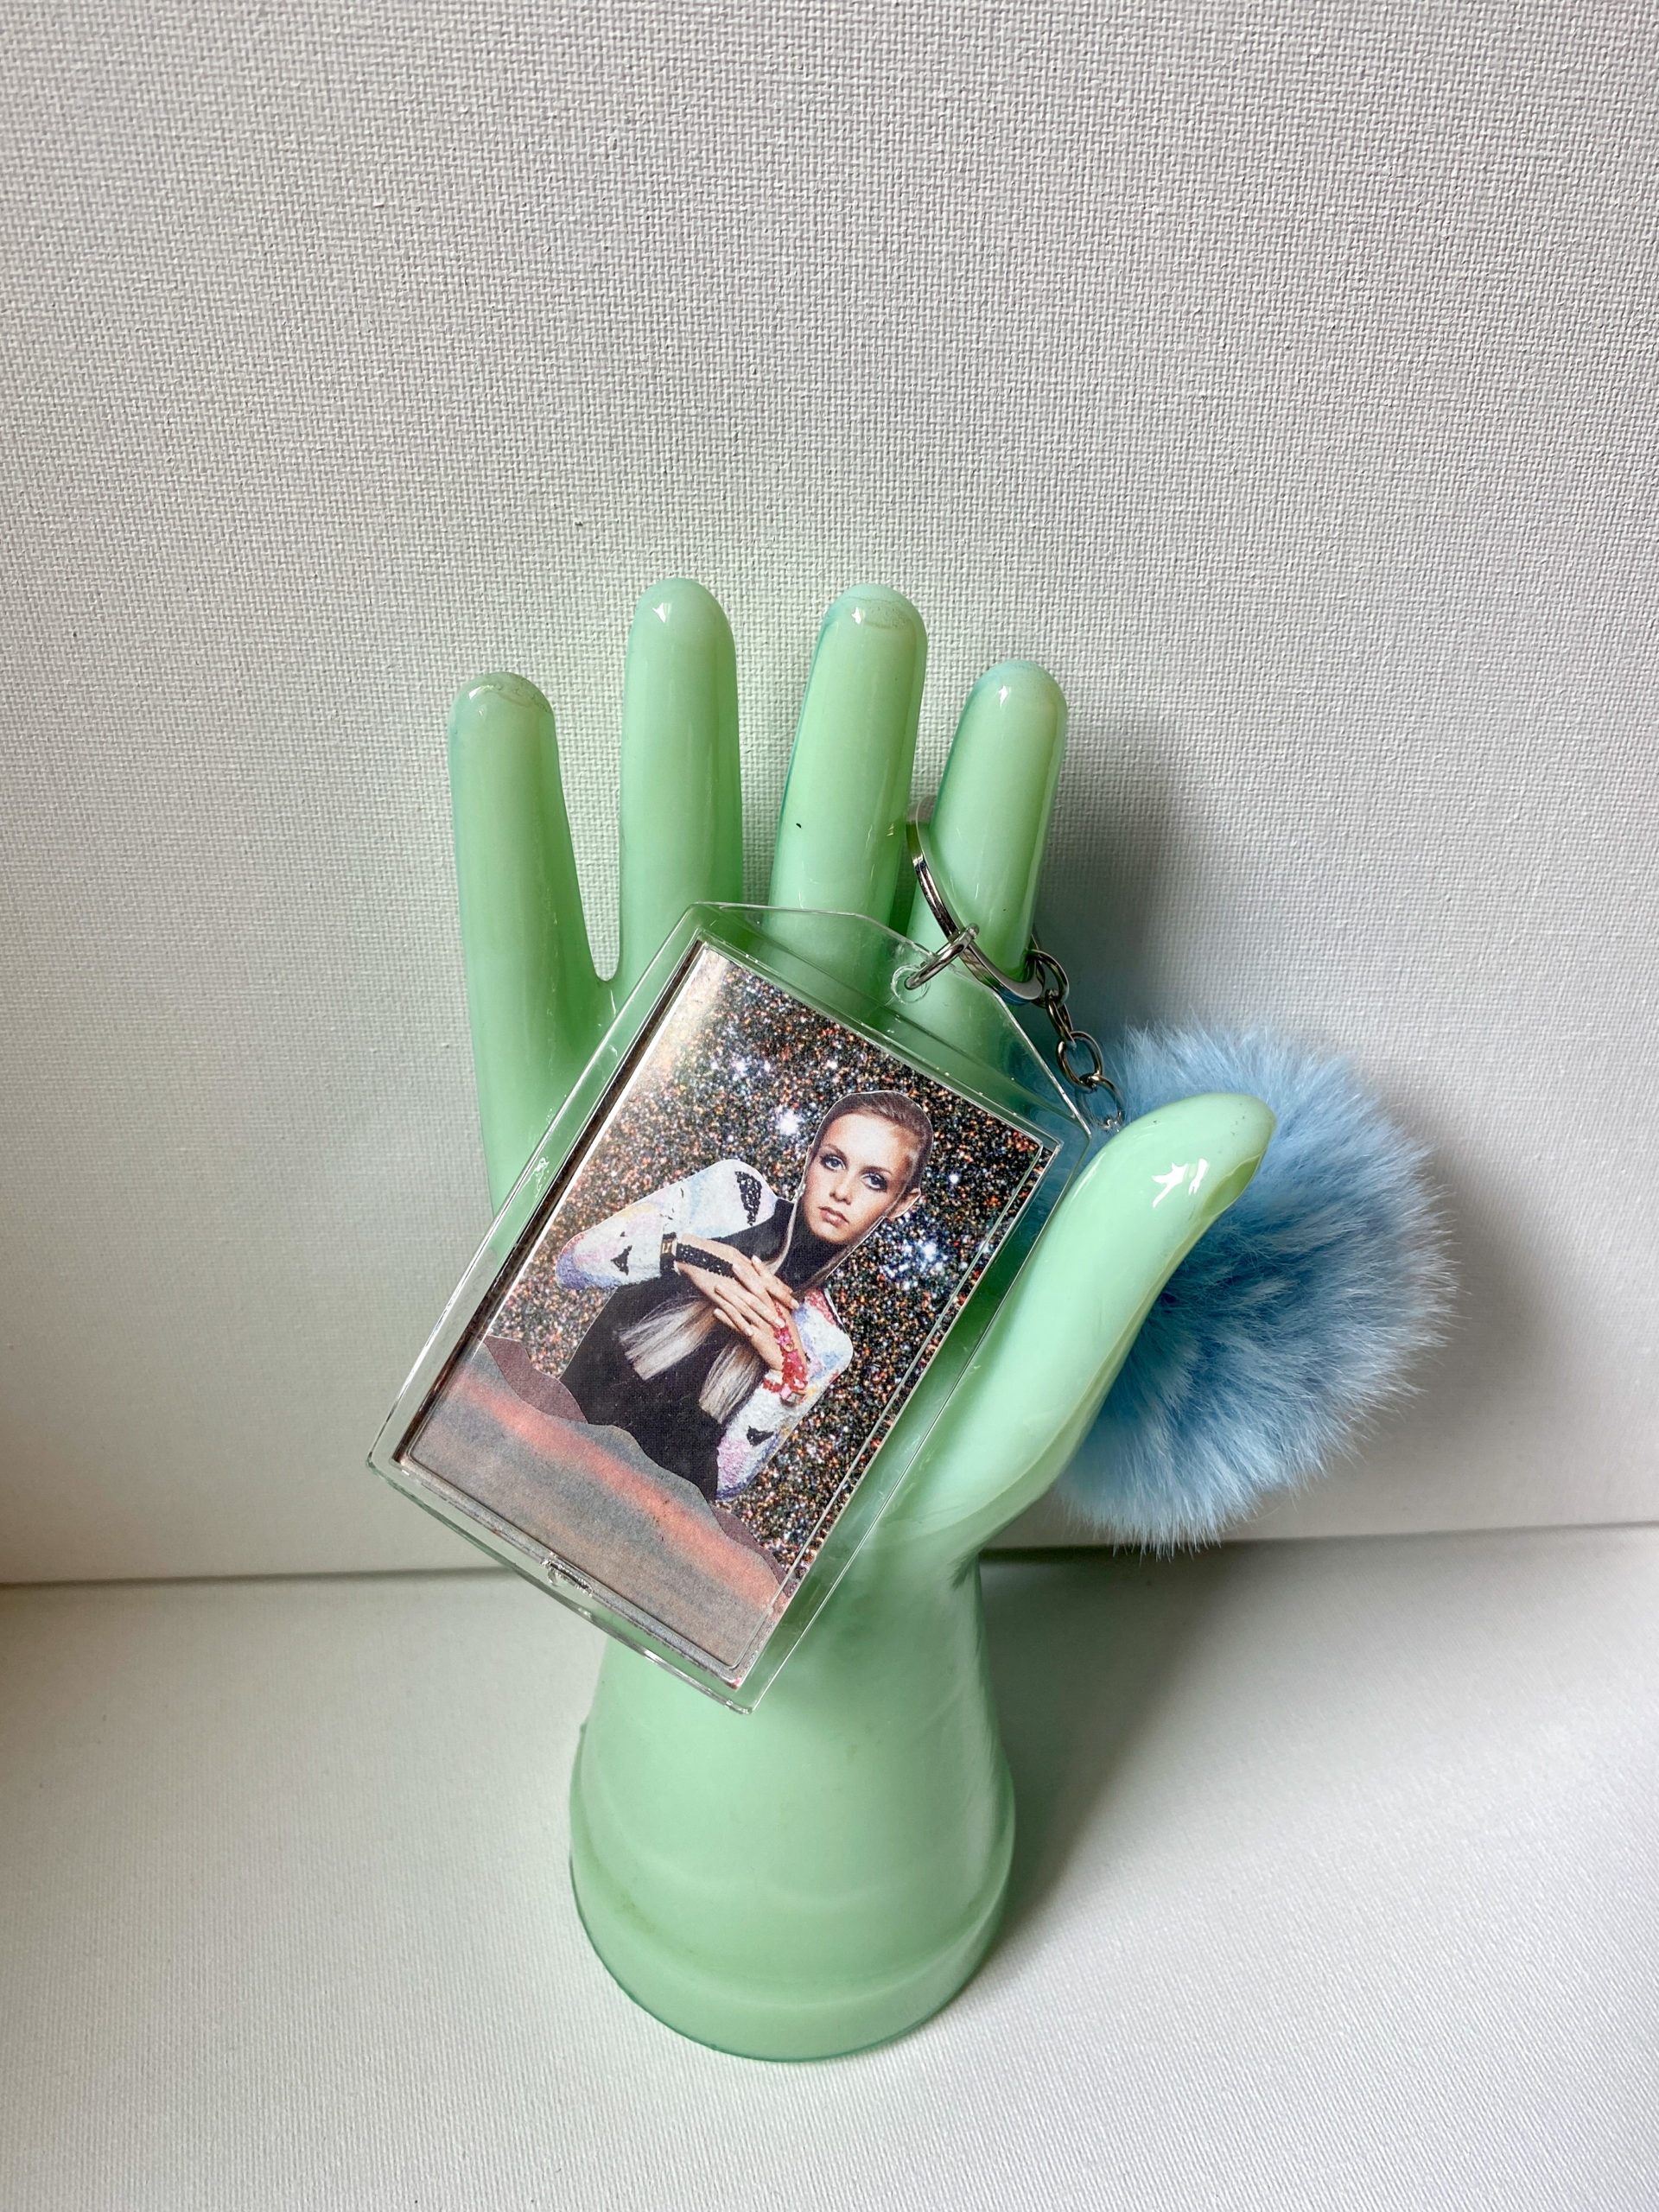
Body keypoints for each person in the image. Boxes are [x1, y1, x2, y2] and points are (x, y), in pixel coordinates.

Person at [550, 1091, 933, 1505]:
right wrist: (683, 1253)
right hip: (556, 1438)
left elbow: (725, 1482)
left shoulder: (826, 1341)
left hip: (643, 1509)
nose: (842, 1191)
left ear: (902, 1203)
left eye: (874, 1180)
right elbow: (572, 1264)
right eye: (833, 1161)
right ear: (810, 1158)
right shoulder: (735, 1195)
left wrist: (786, 1380)